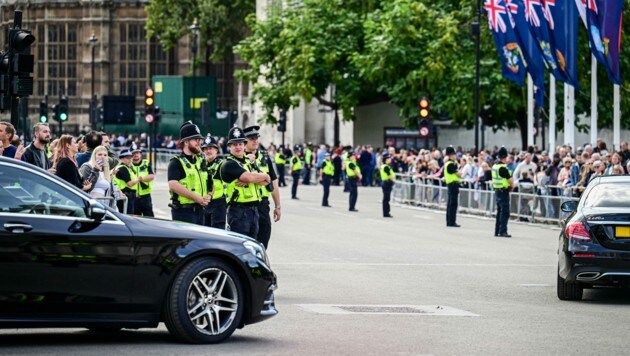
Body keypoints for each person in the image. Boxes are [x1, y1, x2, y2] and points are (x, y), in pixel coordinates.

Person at [220, 125, 271, 238]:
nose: (238, 147)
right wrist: (261, 176)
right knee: (238, 249)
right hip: (238, 212)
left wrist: (262, 177)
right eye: (234, 144)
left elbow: (266, 182)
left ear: (244, 145)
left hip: (254, 211)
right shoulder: (229, 164)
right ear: (229, 146)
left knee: (252, 247)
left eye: (240, 144)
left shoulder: (248, 163)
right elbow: (250, 178)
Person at [244, 125, 281, 248]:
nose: (255, 140)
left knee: (263, 240)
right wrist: (263, 179)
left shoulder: (265, 158)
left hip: (263, 206)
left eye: (256, 138)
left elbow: (273, 182)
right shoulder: (239, 159)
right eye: (251, 138)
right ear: (244, 141)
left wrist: (278, 206)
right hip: (245, 207)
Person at [167, 121, 210, 224]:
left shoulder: (201, 160)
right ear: (186, 142)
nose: (199, 142)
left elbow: (210, 183)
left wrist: (209, 195)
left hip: (201, 211)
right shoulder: (176, 162)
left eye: (199, 139)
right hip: (183, 212)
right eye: (196, 139)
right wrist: (195, 197)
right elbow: (173, 184)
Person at [202, 134, 227, 229]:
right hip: (204, 204)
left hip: (218, 204)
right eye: (206, 149)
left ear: (216, 150)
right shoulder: (201, 165)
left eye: (210, 148)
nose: (208, 151)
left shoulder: (222, 165)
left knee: (217, 235)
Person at [492, 147, 514, 238]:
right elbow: (510, 180)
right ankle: (503, 231)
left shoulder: (494, 166)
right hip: (503, 191)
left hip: (497, 190)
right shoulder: (502, 168)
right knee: (505, 212)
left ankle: (497, 231)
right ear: (505, 157)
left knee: (499, 212)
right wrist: (512, 186)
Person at [114, 149, 141, 214]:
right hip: (125, 194)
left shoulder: (127, 167)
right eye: (127, 158)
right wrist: (138, 179)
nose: (130, 159)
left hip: (128, 195)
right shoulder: (123, 168)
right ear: (122, 159)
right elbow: (130, 184)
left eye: (130, 157)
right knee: (128, 215)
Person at [131, 144, 155, 217]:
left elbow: (152, 176)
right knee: (135, 219)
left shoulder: (146, 163)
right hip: (133, 196)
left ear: (140, 154)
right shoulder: (128, 165)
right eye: (134, 153)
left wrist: (141, 179)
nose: (136, 155)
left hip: (145, 196)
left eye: (137, 152)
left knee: (149, 218)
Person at [444, 146, 462, 227]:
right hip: (453, 185)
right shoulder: (451, 164)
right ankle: (452, 222)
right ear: (451, 155)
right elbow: (459, 174)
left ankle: (449, 221)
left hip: (450, 185)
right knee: (453, 204)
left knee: (450, 204)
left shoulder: (447, 164)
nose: (455, 156)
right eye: (454, 154)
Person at [380, 153, 396, 218]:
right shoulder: (386, 166)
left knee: (386, 198)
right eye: (389, 158)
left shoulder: (384, 166)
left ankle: (386, 212)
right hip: (387, 183)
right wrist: (394, 181)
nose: (390, 159)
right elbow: (389, 175)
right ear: (386, 159)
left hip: (385, 183)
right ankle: (386, 213)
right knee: (386, 199)